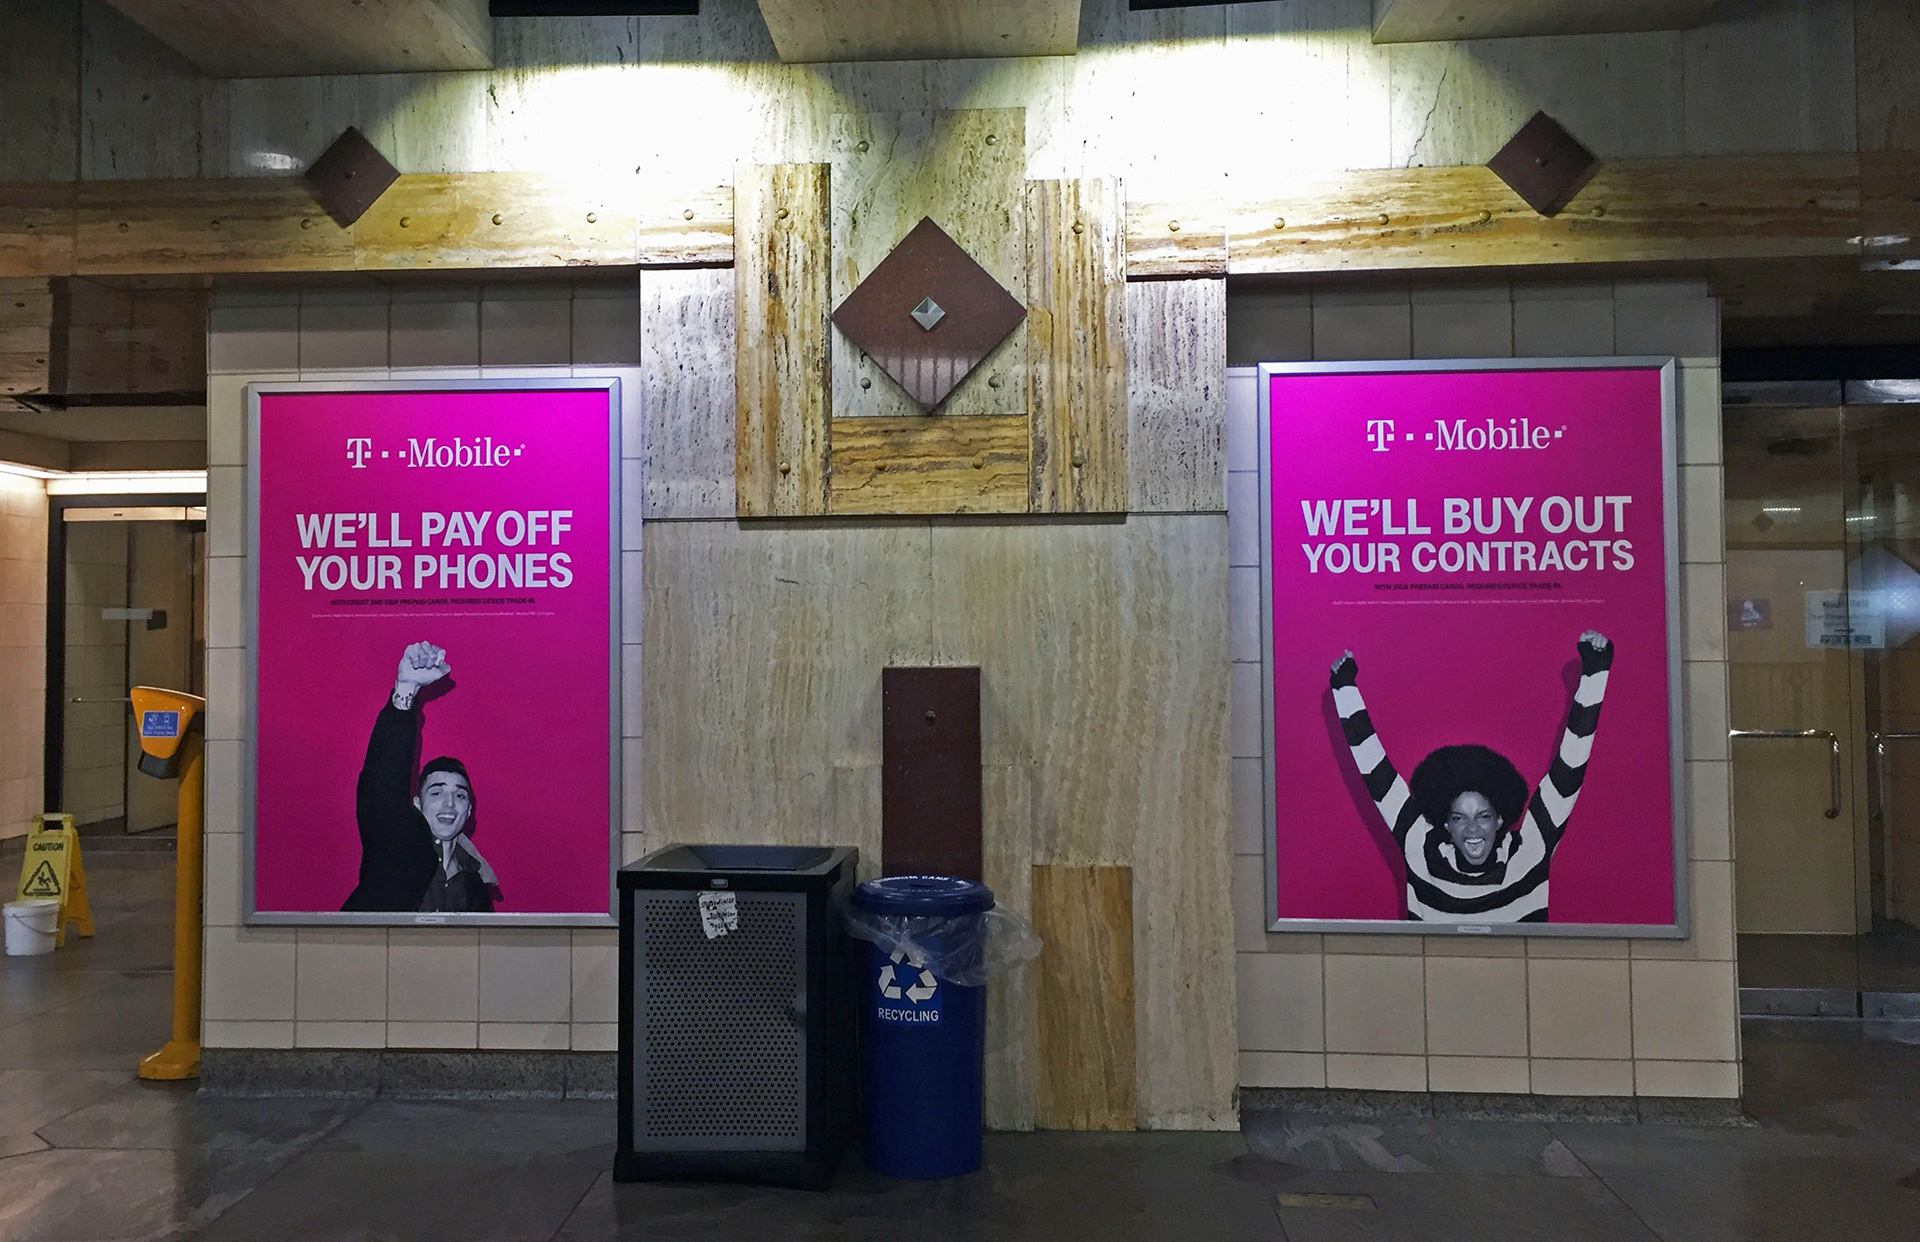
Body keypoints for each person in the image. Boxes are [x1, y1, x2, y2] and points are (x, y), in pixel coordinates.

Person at [1328, 631, 1613, 923]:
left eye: (1483, 816)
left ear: (1500, 820)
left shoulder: (1530, 850)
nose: (1472, 828)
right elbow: (1377, 775)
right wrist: (1344, 689)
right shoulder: (1421, 849)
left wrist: (1595, 672)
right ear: (1446, 825)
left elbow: (1568, 771)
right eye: (1459, 817)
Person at [341, 641, 499, 913]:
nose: (449, 803)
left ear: (469, 810)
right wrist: (406, 689)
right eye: (436, 792)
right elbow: (383, 783)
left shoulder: (476, 884)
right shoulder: (394, 847)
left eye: (460, 795)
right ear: (417, 804)